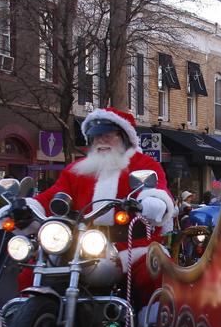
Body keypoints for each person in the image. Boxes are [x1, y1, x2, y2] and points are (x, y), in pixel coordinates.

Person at [28, 108, 176, 311]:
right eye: (96, 136)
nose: (101, 141)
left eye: (108, 135)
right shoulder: (77, 169)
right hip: (79, 245)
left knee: (153, 270)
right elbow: (54, 195)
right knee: (34, 268)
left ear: (124, 138)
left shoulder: (143, 164)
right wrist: (28, 208)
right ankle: (26, 325)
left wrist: (150, 202)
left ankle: (150, 325)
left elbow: (156, 189)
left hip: (130, 245)